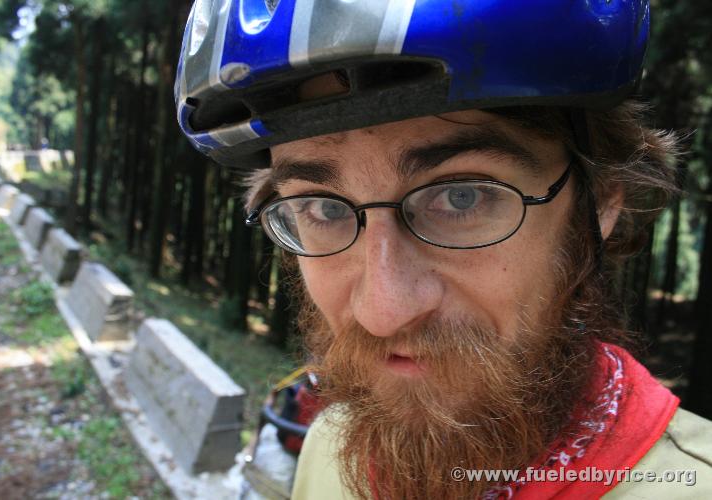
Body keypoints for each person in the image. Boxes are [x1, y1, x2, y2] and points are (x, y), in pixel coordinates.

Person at [175, 1, 712, 498]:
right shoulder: (333, 446)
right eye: (325, 209)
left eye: (462, 196)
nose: (382, 312)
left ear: (599, 202)